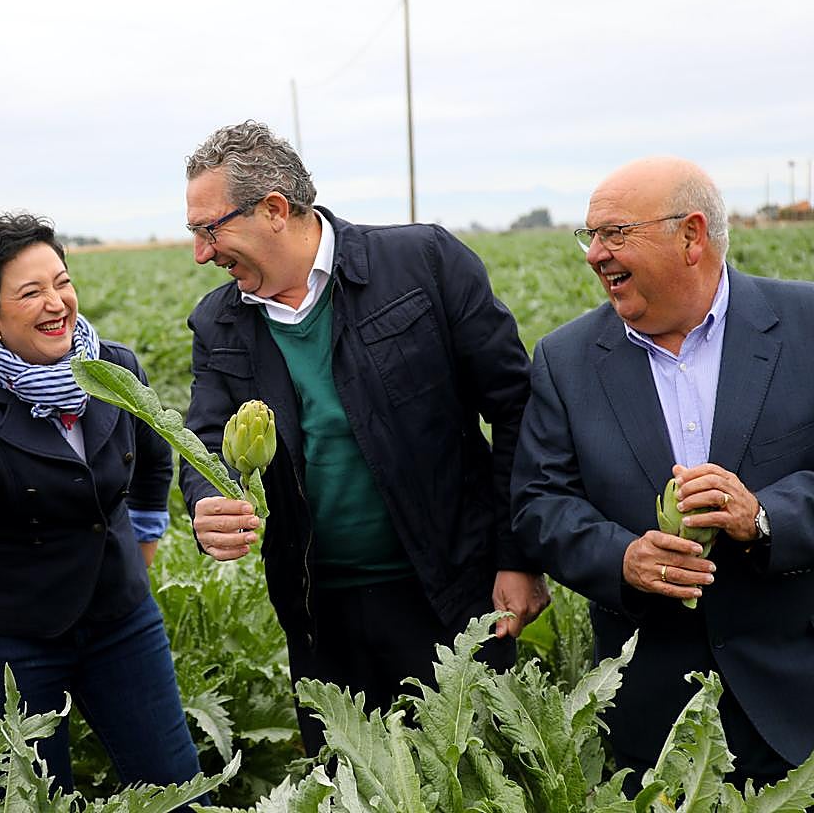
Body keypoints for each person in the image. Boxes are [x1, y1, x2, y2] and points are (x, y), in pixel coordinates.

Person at [179, 120, 549, 755]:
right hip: (319, 612)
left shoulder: (423, 263)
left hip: (451, 595)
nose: (202, 253)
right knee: (350, 781)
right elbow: (205, 433)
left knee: (472, 777)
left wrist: (517, 555)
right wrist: (204, 500)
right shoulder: (220, 320)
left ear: (273, 209)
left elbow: (516, 408)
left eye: (209, 229)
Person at [511, 156, 814, 787]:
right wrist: (622, 558)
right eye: (589, 235)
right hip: (651, 722)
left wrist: (761, 517)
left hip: (798, 700)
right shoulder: (565, 360)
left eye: (615, 234)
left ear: (692, 236)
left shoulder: (805, 326)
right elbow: (540, 503)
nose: (595, 254)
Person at [0, 212, 206, 798]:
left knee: (177, 789)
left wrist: (143, 548)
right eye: (31, 292)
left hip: (123, 619)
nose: (57, 303)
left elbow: (154, 461)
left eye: (62, 281)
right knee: (30, 802)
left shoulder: (117, 369)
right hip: (12, 639)